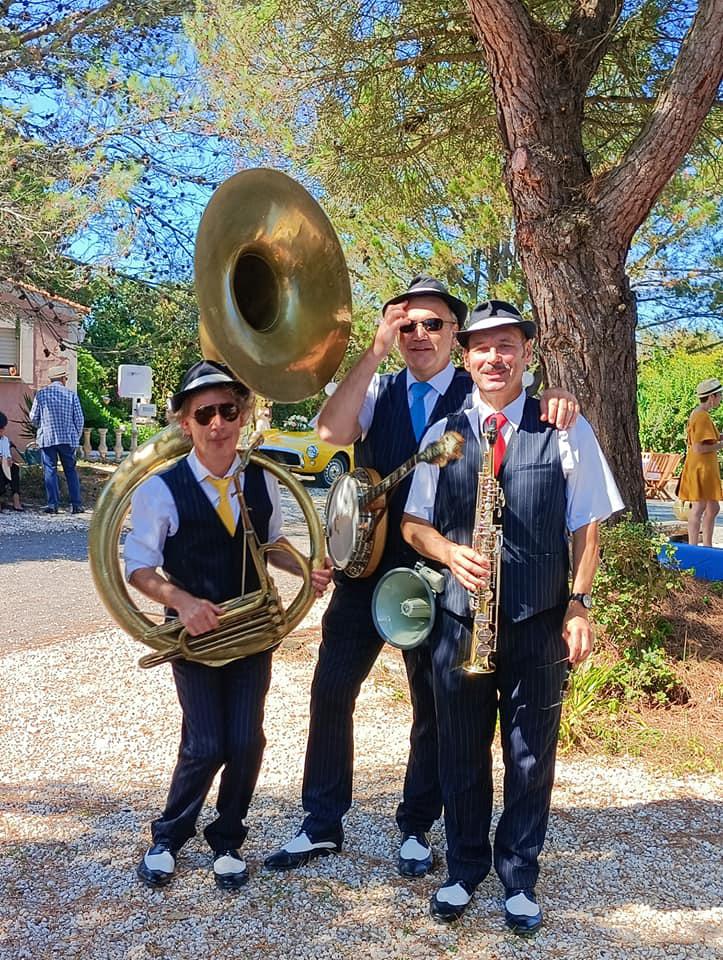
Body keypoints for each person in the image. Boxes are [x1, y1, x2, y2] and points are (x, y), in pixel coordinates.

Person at [263, 276, 580, 880]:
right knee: (331, 691)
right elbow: (329, 432)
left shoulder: (480, 388)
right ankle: (320, 823)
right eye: (405, 324)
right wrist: (373, 350)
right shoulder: (378, 388)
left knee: (433, 708)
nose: (418, 335)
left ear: (456, 334)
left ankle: (416, 825)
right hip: (366, 572)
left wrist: (562, 395)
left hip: (440, 577)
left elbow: (541, 410)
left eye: (432, 324)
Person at [401, 300, 623, 932]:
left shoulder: (563, 425)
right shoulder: (442, 434)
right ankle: (463, 869)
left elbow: (586, 526)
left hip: (538, 620)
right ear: (465, 356)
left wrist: (578, 603)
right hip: (459, 621)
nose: (494, 357)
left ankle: (518, 874)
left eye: (507, 345)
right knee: (460, 753)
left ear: (526, 353)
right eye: (481, 346)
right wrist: (448, 552)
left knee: (531, 758)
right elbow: (414, 524)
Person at [124, 360, 332, 890]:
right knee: (205, 742)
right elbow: (139, 568)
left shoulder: (261, 479)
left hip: (252, 633)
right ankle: (168, 836)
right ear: (184, 423)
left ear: (243, 415)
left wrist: (306, 568)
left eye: (228, 410)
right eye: (205, 413)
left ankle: (228, 838)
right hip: (192, 636)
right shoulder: (159, 489)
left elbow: (270, 544)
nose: (218, 422)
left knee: (246, 741)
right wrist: (183, 602)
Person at [29, 365, 84, 514]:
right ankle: (76, 505)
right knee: (70, 471)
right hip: (67, 439)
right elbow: (79, 419)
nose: (66, 380)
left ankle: (53, 505)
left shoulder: (41, 395)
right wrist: (75, 436)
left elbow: (33, 417)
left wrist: (41, 426)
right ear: (62, 378)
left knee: (50, 470)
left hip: (47, 438)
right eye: (65, 377)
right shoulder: (71, 395)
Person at [677, 377, 723, 547]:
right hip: (701, 468)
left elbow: (709, 440)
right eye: (719, 395)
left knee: (712, 508)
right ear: (712, 397)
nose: (720, 398)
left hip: (703, 467)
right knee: (699, 507)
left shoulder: (699, 414)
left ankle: (706, 546)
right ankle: (694, 546)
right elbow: (699, 448)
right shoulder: (701, 416)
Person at [0, 411, 23, 511]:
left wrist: (9, 460)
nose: (3, 430)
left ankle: (16, 498)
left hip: (4, 468)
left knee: (14, 468)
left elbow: (7, 455)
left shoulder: (4, 440)